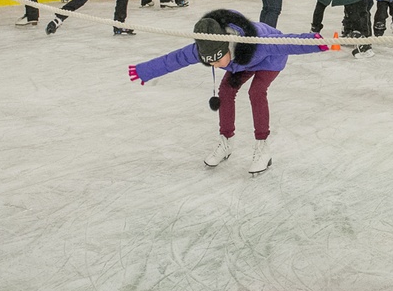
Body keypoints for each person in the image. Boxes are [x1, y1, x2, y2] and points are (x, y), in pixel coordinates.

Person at [128, 9, 330, 174]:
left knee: (256, 92)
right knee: (225, 91)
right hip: (241, 65)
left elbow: (288, 42)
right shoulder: (205, 46)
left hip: (270, 59)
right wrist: (144, 71)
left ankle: (262, 148)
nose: (215, 66)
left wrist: (317, 42)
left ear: (228, 47)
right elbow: (175, 59)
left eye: (217, 60)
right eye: (210, 62)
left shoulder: (258, 43)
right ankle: (226, 142)